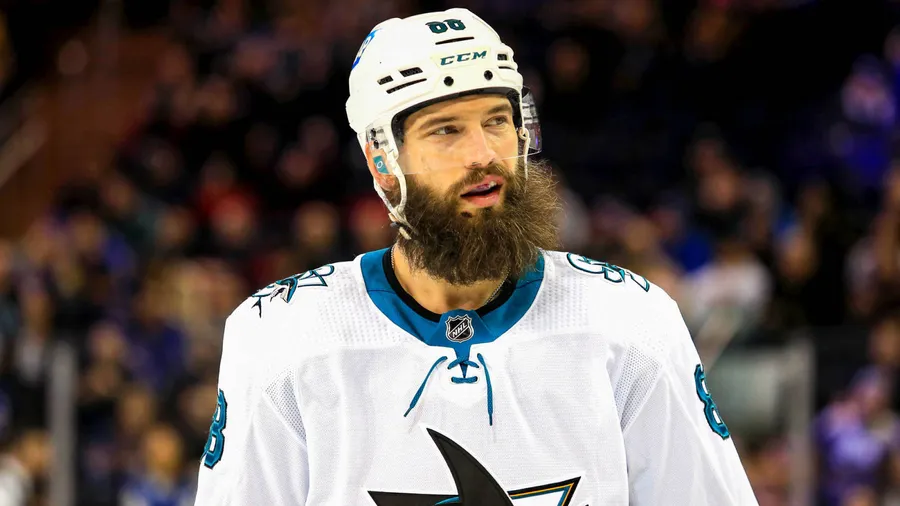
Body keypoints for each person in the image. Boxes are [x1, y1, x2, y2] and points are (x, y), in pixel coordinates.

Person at [193, 8, 759, 505]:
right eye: (446, 130)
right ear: (383, 160)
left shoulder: (632, 321)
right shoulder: (281, 337)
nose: (484, 154)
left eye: (496, 121)